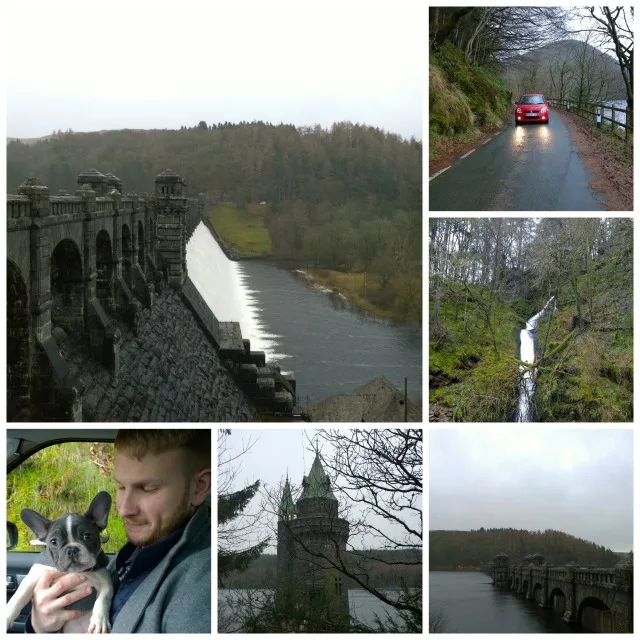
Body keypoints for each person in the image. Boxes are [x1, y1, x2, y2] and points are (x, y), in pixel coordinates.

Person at [26, 429, 211, 633]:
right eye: (121, 487)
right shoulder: (130, 556)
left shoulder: (204, 585)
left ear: (199, 487)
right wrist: (40, 627)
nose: (124, 509)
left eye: (148, 488)